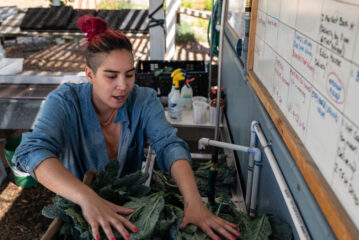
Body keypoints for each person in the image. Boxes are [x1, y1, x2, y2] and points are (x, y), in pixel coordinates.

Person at [13, 15, 241, 240]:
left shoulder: (143, 99)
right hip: (80, 208)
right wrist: (88, 198)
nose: (123, 86)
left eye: (129, 75)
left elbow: (169, 144)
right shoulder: (65, 102)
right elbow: (32, 151)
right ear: (90, 74)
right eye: (111, 76)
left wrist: (194, 202)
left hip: (129, 206)